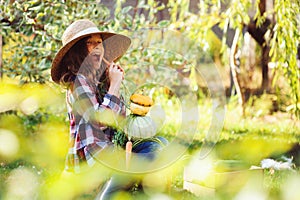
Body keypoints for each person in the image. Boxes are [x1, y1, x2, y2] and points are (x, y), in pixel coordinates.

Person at [51, 19, 167, 199]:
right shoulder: (77, 82)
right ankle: (112, 190)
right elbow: (99, 120)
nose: (98, 47)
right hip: (95, 153)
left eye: (100, 42)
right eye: (90, 42)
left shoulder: (101, 81)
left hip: (112, 147)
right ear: (78, 51)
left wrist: (138, 119)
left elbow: (118, 120)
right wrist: (115, 86)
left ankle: (129, 185)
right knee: (148, 159)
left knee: (159, 145)